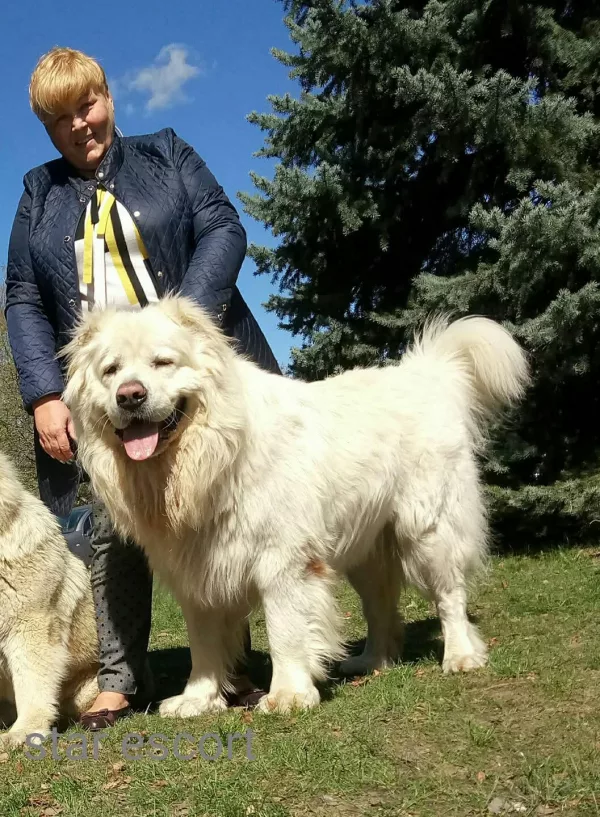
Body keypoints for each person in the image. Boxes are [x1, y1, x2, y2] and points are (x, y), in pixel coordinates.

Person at [5, 46, 279, 730]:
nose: (79, 126)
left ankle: (230, 665)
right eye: (59, 119)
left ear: (109, 98)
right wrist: (44, 393)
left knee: (221, 520)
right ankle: (120, 677)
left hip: (188, 378)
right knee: (108, 531)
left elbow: (223, 224)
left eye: (87, 105)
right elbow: (23, 295)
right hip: (102, 395)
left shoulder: (166, 153)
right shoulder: (38, 193)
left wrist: (181, 324)